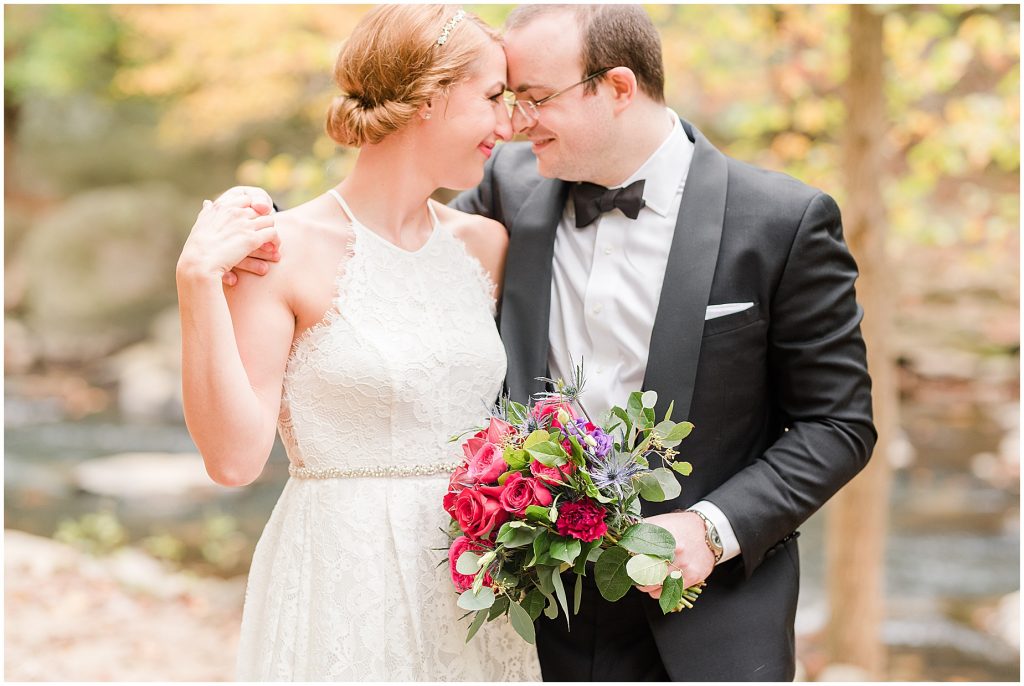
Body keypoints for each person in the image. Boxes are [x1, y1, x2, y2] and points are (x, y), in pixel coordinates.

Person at [223, 3, 876, 681]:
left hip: (705, 616)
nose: (513, 122)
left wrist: (711, 530)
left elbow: (838, 424)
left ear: (618, 88)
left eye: (534, 98)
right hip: (528, 611)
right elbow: (388, 253)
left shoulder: (783, 222)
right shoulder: (506, 192)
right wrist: (257, 230)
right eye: (505, 98)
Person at [175, 5, 541, 680]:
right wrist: (197, 283)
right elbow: (232, 461)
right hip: (340, 584)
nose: (507, 123)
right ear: (430, 96)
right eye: (492, 98)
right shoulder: (279, 256)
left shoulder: (486, 246)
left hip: (472, 584)